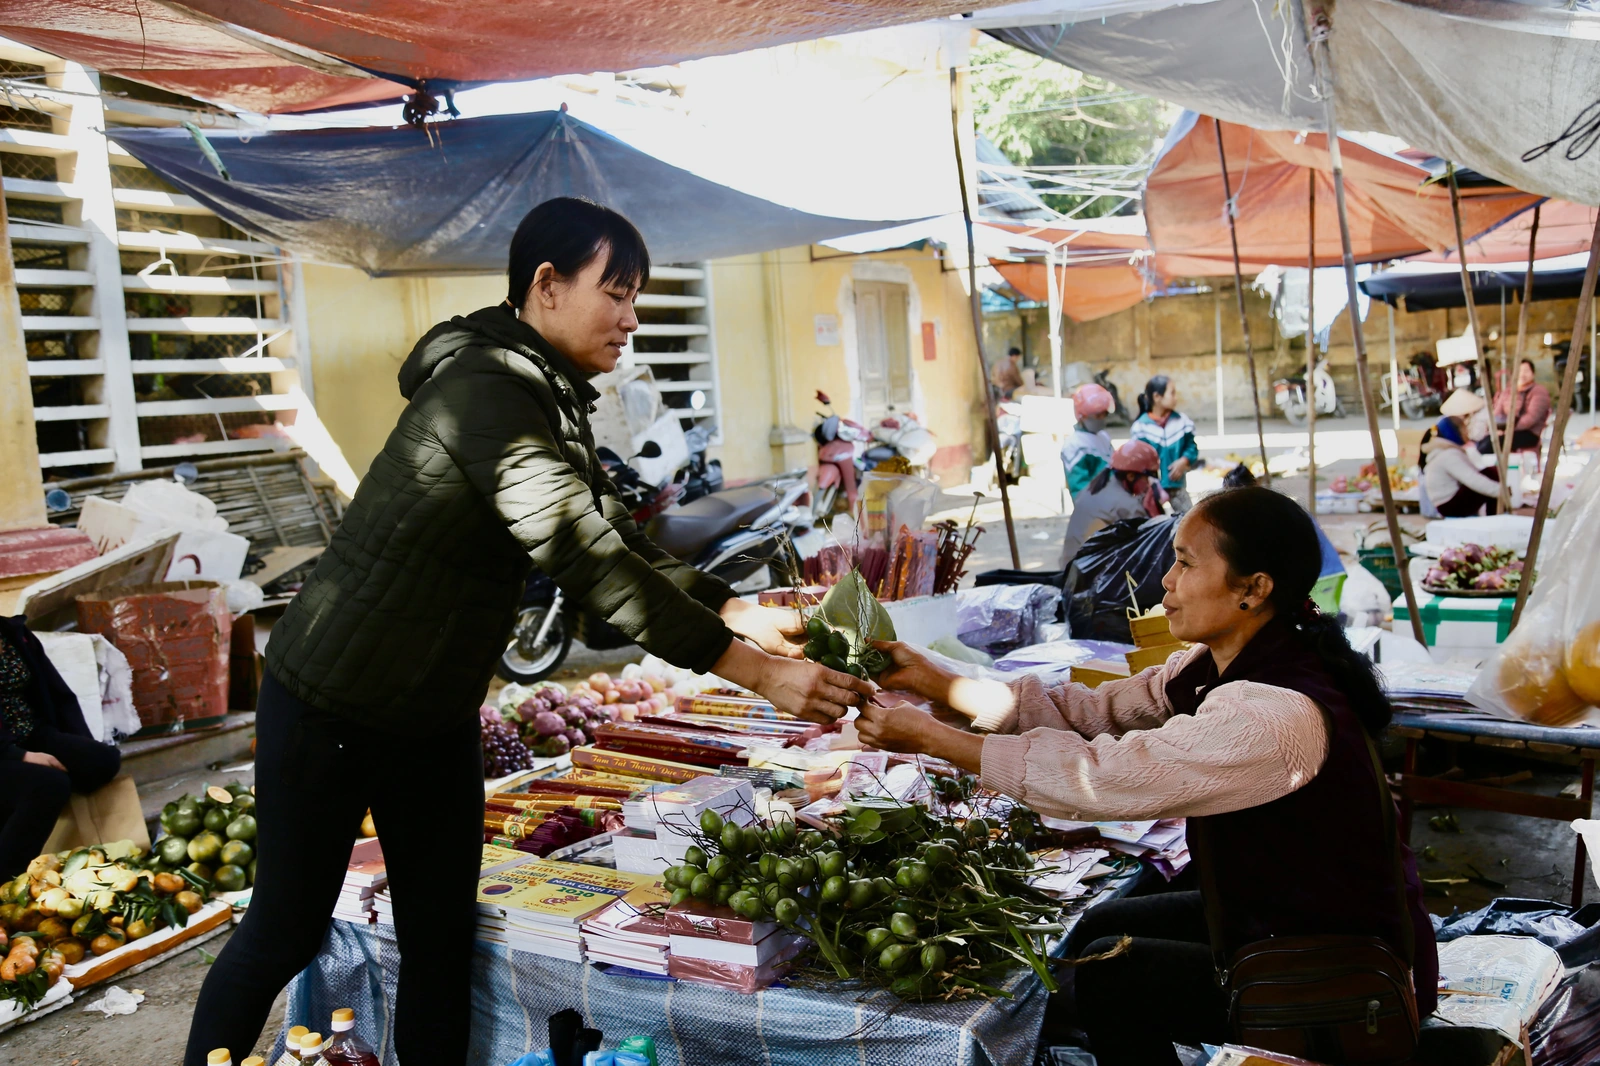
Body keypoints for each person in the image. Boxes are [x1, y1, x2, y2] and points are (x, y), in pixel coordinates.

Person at [182, 198, 873, 1066]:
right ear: (546, 285)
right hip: (333, 703)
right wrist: (756, 673)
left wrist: (740, 615)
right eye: (615, 293)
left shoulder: (546, 394)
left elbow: (616, 537)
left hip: (434, 713)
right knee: (285, 927)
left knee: (440, 937)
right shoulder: (484, 391)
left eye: (636, 298)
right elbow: (581, 554)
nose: (631, 318)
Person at [857, 487, 1436, 1066]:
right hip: (1276, 914)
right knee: (1100, 929)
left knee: (1110, 973)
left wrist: (936, 740)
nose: (1166, 580)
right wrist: (937, 682)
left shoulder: (1271, 715)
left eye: (1185, 563)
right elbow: (1088, 713)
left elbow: (1102, 777)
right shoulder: (1217, 665)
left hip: (1341, 973)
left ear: (1254, 589)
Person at [0, 617, 122, 881]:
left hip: (30, 732)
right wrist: (20, 756)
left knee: (101, 761)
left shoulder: (13, 633)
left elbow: (58, 694)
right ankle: (6, 877)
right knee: (49, 784)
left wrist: (79, 743)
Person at [1058, 440, 1161, 569]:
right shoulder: (1128, 506)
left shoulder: (1094, 488)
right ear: (1130, 476)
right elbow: (1150, 545)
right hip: (1090, 575)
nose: (1149, 484)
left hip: (1071, 567)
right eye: (1148, 478)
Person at [1423, 389, 1504, 517]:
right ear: (1454, 432)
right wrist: (1501, 491)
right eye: (1463, 429)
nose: (1466, 432)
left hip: (1447, 502)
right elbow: (1473, 479)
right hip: (1449, 505)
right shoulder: (1449, 454)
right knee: (1490, 473)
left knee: (1489, 474)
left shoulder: (1448, 451)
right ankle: (1494, 517)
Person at [1131, 375, 1200, 514]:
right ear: (1157, 397)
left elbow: (1192, 447)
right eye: (1172, 393)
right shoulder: (1140, 427)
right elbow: (1138, 459)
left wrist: (1184, 461)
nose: (1176, 398)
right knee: (1146, 520)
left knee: (1189, 517)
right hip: (1150, 488)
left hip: (1176, 484)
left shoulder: (1182, 422)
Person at [1479, 358, 1550, 454]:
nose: (1522, 374)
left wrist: (1509, 430)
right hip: (1505, 430)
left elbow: (1531, 418)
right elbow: (1497, 412)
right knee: (1483, 442)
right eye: (1519, 371)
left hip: (1528, 433)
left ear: (1533, 374)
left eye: (1526, 371)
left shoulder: (1539, 391)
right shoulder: (1508, 391)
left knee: (1491, 445)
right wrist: (1496, 428)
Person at [1060, 383, 1115, 497]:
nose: (1102, 419)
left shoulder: (1103, 436)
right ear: (1082, 415)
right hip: (1097, 504)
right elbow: (1079, 490)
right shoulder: (1074, 445)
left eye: (1104, 414)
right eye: (1097, 415)